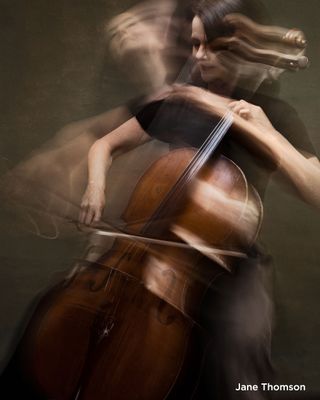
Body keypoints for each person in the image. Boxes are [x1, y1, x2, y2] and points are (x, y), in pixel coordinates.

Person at [78, 0, 320, 399]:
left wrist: (267, 133)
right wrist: (96, 186)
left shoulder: (272, 113)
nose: (200, 57)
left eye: (213, 46)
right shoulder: (179, 101)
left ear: (240, 48)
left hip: (232, 267)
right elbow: (103, 145)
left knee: (240, 375)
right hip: (158, 254)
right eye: (194, 45)